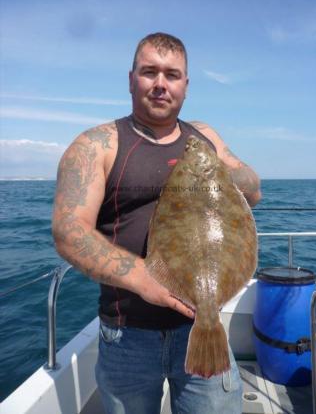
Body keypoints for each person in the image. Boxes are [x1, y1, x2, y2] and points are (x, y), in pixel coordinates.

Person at [52, 32, 261, 414]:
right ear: (131, 78)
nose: (161, 84)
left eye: (172, 74)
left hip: (202, 324)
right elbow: (68, 231)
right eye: (149, 72)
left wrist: (224, 170)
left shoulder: (206, 138)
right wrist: (143, 278)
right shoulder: (97, 145)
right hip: (126, 333)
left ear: (186, 84)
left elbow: (253, 190)